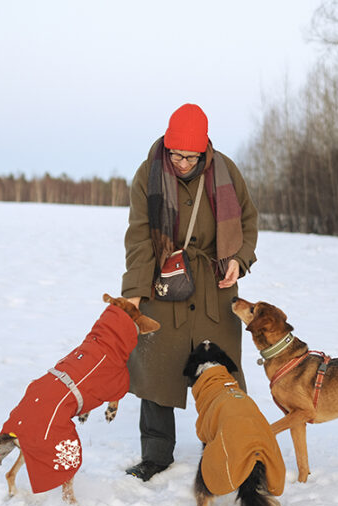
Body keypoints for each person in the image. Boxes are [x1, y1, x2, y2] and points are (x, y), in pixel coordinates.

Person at [121, 103, 259, 481]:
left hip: (216, 290)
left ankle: (220, 447)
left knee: (220, 375)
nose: (181, 162)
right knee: (156, 372)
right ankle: (155, 456)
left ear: (204, 151)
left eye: (189, 156)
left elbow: (247, 220)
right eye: (175, 154)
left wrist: (240, 259)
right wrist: (133, 293)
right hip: (163, 286)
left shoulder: (226, 171)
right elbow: (139, 237)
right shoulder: (147, 174)